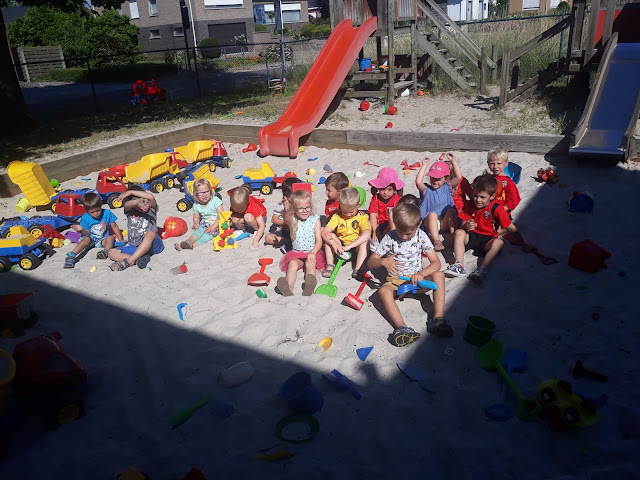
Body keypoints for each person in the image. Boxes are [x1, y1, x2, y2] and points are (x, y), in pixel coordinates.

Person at [367, 203, 450, 347]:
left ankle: (437, 319)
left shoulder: (421, 236)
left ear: (419, 224)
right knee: (383, 291)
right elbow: (370, 262)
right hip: (396, 281)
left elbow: (436, 263)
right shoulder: (390, 237)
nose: (404, 237)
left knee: (439, 275)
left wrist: (421, 273)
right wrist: (383, 261)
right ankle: (402, 328)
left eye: (408, 233)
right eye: (400, 232)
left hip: (418, 280)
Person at [444, 174, 518, 284]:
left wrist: (523, 243)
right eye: (475, 196)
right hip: (472, 236)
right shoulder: (470, 204)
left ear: (492, 196)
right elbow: (462, 227)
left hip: (487, 240)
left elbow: (511, 228)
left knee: (499, 242)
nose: (478, 200)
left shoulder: (497, 208)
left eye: (482, 197)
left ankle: (482, 269)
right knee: (459, 232)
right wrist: (466, 226)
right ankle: (459, 265)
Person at [276, 190, 325, 296]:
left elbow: (319, 241)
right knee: (292, 264)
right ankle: (288, 288)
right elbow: (286, 218)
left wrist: (313, 252)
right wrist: (286, 209)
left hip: (311, 252)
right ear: (294, 209)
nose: (304, 211)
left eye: (307, 207)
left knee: (310, 263)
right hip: (296, 254)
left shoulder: (315, 220)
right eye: (301, 208)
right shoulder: (293, 220)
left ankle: (309, 286)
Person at [108, 186, 164, 271]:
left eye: (146, 202)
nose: (144, 206)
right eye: (140, 205)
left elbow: (151, 197)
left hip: (153, 245)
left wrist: (131, 192)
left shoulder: (151, 210)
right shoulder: (130, 211)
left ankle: (130, 261)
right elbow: (127, 205)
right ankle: (139, 259)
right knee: (111, 252)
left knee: (150, 233)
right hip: (137, 248)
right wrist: (136, 202)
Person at [321, 187, 371, 279]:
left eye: (351, 212)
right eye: (344, 211)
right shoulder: (337, 216)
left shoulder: (362, 217)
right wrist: (334, 244)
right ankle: (330, 265)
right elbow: (325, 232)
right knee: (330, 236)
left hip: (356, 246)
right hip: (340, 247)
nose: (348, 215)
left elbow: (367, 234)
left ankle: (358, 269)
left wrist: (349, 246)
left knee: (365, 241)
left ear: (358, 204)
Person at [415, 153, 462, 252]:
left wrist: (453, 162)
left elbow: (458, 177)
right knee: (432, 215)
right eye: (433, 178)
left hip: (444, 222)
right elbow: (418, 182)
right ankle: (436, 240)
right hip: (430, 223)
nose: (435, 181)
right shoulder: (427, 190)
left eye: (439, 179)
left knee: (451, 211)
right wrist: (424, 166)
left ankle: (453, 235)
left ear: (446, 178)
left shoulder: (447, 187)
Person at [64, 192, 123, 268]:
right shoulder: (85, 218)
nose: (96, 214)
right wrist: (81, 230)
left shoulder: (107, 213)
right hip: (90, 239)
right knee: (86, 239)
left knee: (111, 238)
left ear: (101, 206)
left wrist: (120, 239)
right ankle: (71, 256)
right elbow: (87, 233)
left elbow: (114, 226)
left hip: (102, 240)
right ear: (86, 210)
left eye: (98, 210)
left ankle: (105, 252)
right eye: (92, 212)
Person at [174, 179, 223, 250]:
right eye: (200, 193)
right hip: (205, 223)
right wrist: (196, 223)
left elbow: (220, 216)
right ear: (196, 194)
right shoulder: (196, 205)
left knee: (207, 236)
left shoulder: (215, 201)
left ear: (210, 191)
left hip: (217, 224)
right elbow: (196, 216)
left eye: (206, 192)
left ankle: (193, 245)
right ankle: (189, 241)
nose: (204, 195)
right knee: (199, 231)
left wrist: (213, 227)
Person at [367, 167, 403, 248]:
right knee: (367, 224)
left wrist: (388, 229)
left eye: (389, 189)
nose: (385, 192)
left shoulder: (397, 199)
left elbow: (398, 217)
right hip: (377, 225)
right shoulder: (375, 198)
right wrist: (375, 231)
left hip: (392, 224)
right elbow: (373, 214)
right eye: (382, 189)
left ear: (395, 189)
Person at [265, 176, 300, 250]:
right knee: (268, 237)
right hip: (285, 229)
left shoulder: (301, 203)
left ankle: (289, 242)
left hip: (298, 229)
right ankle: (285, 241)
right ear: (286, 196)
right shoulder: (281, 205)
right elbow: (274, 219)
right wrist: (285, 222)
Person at [487, 146, 520, 213]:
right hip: (488, 212)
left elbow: (514, 200)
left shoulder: (508, 182)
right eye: (492, 163)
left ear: (506, 163)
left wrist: (501, 210)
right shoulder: (488, 179)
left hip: (502, 214)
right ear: (488, 163)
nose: (495, 167)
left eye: (499, 163)